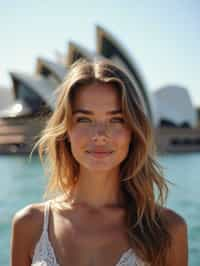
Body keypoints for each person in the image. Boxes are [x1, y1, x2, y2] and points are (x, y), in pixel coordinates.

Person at [10, 59, 188, 266]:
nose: (100, 135)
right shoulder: (29, 224)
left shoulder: (168, 229)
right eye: (84, 119)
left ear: (133, 132)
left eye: (116, 119)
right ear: (66, 131)